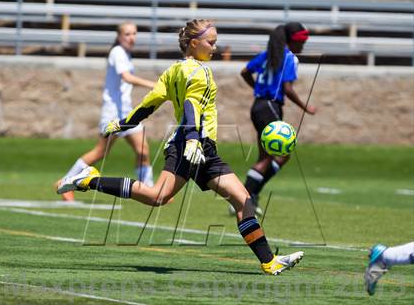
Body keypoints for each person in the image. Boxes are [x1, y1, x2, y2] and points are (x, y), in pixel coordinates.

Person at [58, 19, 304, 275]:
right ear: (194, 43)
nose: (215, 48)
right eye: (211, 42)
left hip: (199, 147)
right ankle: (89, 179)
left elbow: (148, 105)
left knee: (239, 200)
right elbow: (190, 107)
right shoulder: (199, 71)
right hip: (192, 145)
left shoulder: (173, 70)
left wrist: (122, 123)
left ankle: (268, 261)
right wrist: (192, 139)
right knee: (160, 197)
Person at [56, 22, 155, 201]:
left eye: (134, 34)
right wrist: (154, 86)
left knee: (143, 151)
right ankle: (66, 182)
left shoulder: (125, 54)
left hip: (127, 112)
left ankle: (148, 190)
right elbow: (127, 77)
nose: (131, 38)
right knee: (100, 152)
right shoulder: (117, 52)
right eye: (127, 34)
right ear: (119, 36)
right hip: (114, 114)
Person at [229, 22, 317, 216]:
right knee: (277, 156)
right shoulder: (289, 58)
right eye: (301, 42)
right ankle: (244, 197)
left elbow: (245, 72)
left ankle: (249, 196)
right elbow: (287, 88)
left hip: (259, 106)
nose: (303, 46)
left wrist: (257, 89)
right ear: (293, 40)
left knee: (267, 157)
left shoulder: (268, 54)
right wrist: (305, 107)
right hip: (270, 107)